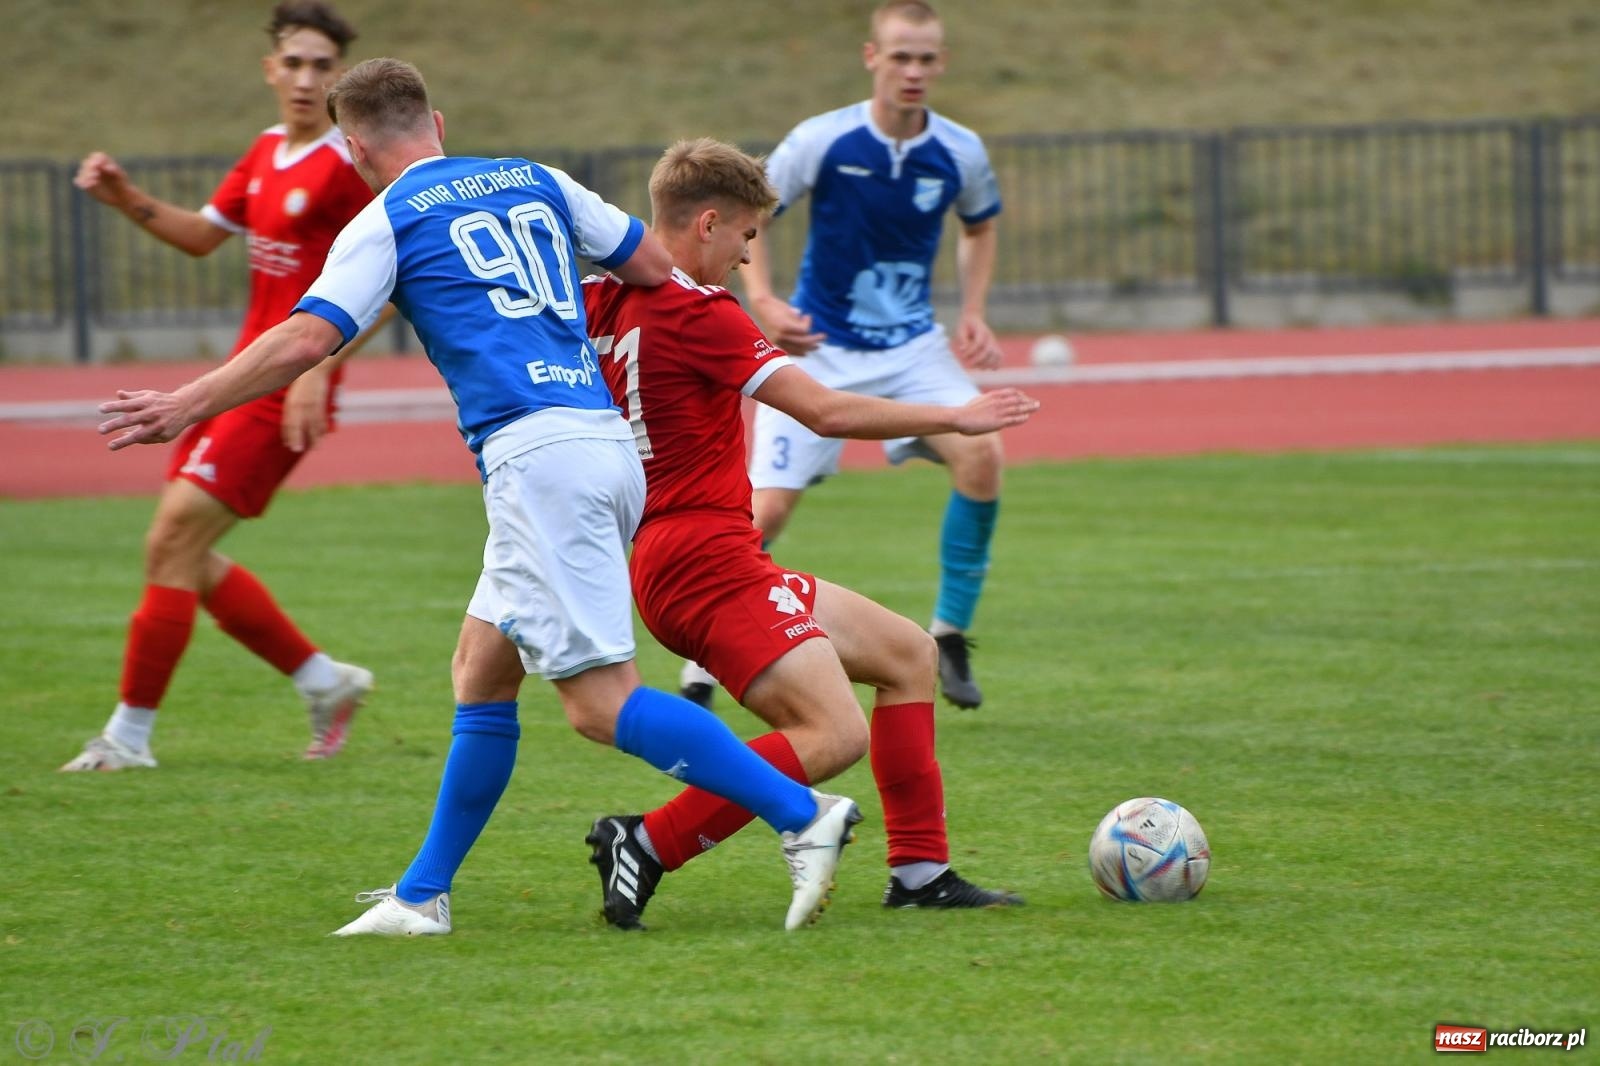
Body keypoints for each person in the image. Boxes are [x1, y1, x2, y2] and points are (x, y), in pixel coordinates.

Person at [95, 58, 863, 935]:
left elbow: (308, 336)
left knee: (599, 705)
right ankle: (422, 896)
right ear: (438, 123)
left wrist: (185, 403)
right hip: (601, 444)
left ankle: (804, 816)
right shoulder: (540, 180)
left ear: (354, 149)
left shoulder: (385, 216)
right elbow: (652, 261)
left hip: (538, 458)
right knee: (481, 671)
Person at [582, 138, 1034, 929]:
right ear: (710, 223)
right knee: (829, 733)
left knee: (907, 653)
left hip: (687, 553)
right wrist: (955, 415)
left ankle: (921, 870)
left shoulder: (605, 299)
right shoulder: (696, 309)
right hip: (702, 561)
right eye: (747, 237)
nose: (748, 255)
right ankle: (648, 842)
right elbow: (823, 411)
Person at [61, 1, 382, 771]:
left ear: (340, 77)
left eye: (321, 65)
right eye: (294, 63)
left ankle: (128, 739)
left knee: (172, 540)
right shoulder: (269, 150)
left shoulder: (349, 163)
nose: (306, 78)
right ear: (271, 69)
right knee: (183, 554)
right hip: (234, 379)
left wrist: (322, 371)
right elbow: (205, 235)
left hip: (282, 383)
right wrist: (126, 198)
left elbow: (395, 276)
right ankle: (324, 680)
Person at [681, 0, 1006, 712]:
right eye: (900, 56)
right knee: (762, 516)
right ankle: (705, 661)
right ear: (872, 58)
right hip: (823, 350)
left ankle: (948, 635)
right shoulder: (822, 141)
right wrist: (762, 300)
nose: (914, 70)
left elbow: (980, 228)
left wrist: (973, 310)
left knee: (983, 456)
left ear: (940, 62)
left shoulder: (959, 151)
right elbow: (751, 214)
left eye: (926, 58)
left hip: (913, 348)